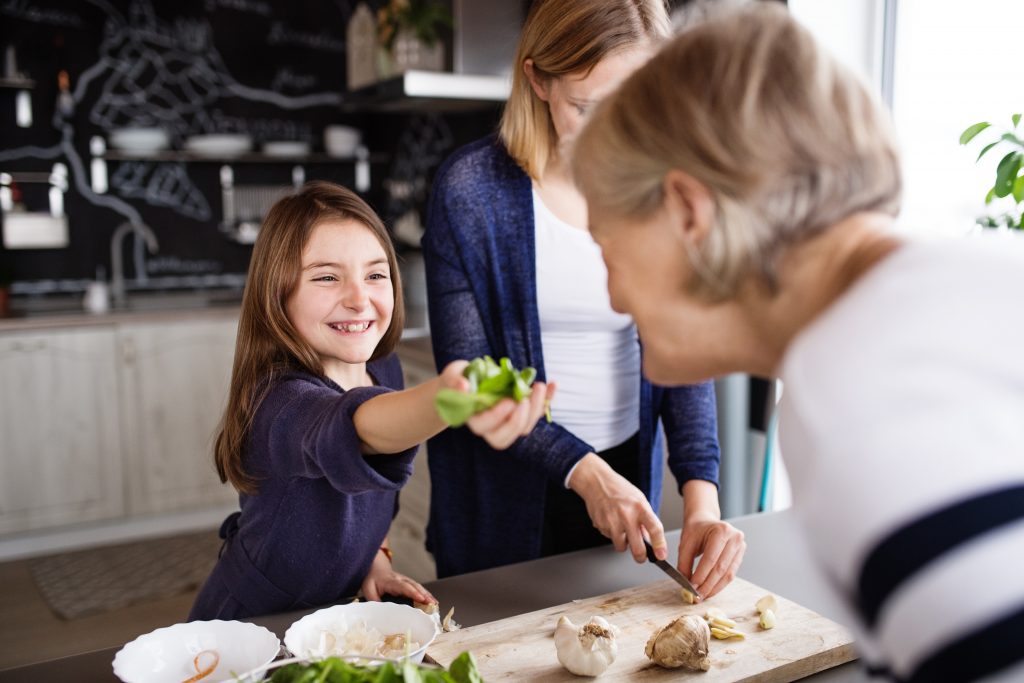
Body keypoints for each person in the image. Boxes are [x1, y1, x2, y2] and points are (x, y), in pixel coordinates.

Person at [572, 4, 1024, 681]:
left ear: (688, 212)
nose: (613, 295)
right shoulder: (961, 285)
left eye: (608, 245)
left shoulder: (863, 396)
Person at [422, 0, 745, 597]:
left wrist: (701, 496)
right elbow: (472, 380)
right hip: (503, 495)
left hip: (624, 478)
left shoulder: (667, 186)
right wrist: (586, 471)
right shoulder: (470, 191)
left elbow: (681, 349)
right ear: (538, 79)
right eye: (586, 107)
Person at [189, 181, 552, 621]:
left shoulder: (385, 370)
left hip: (336, 613)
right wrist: (448, 397)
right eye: (327, 277)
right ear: (277, 292)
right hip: (255, 619)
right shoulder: (278, 401)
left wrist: (375, 559)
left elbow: (366, 501)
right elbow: (355, 426)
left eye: (375, 274)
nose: (359, 299)